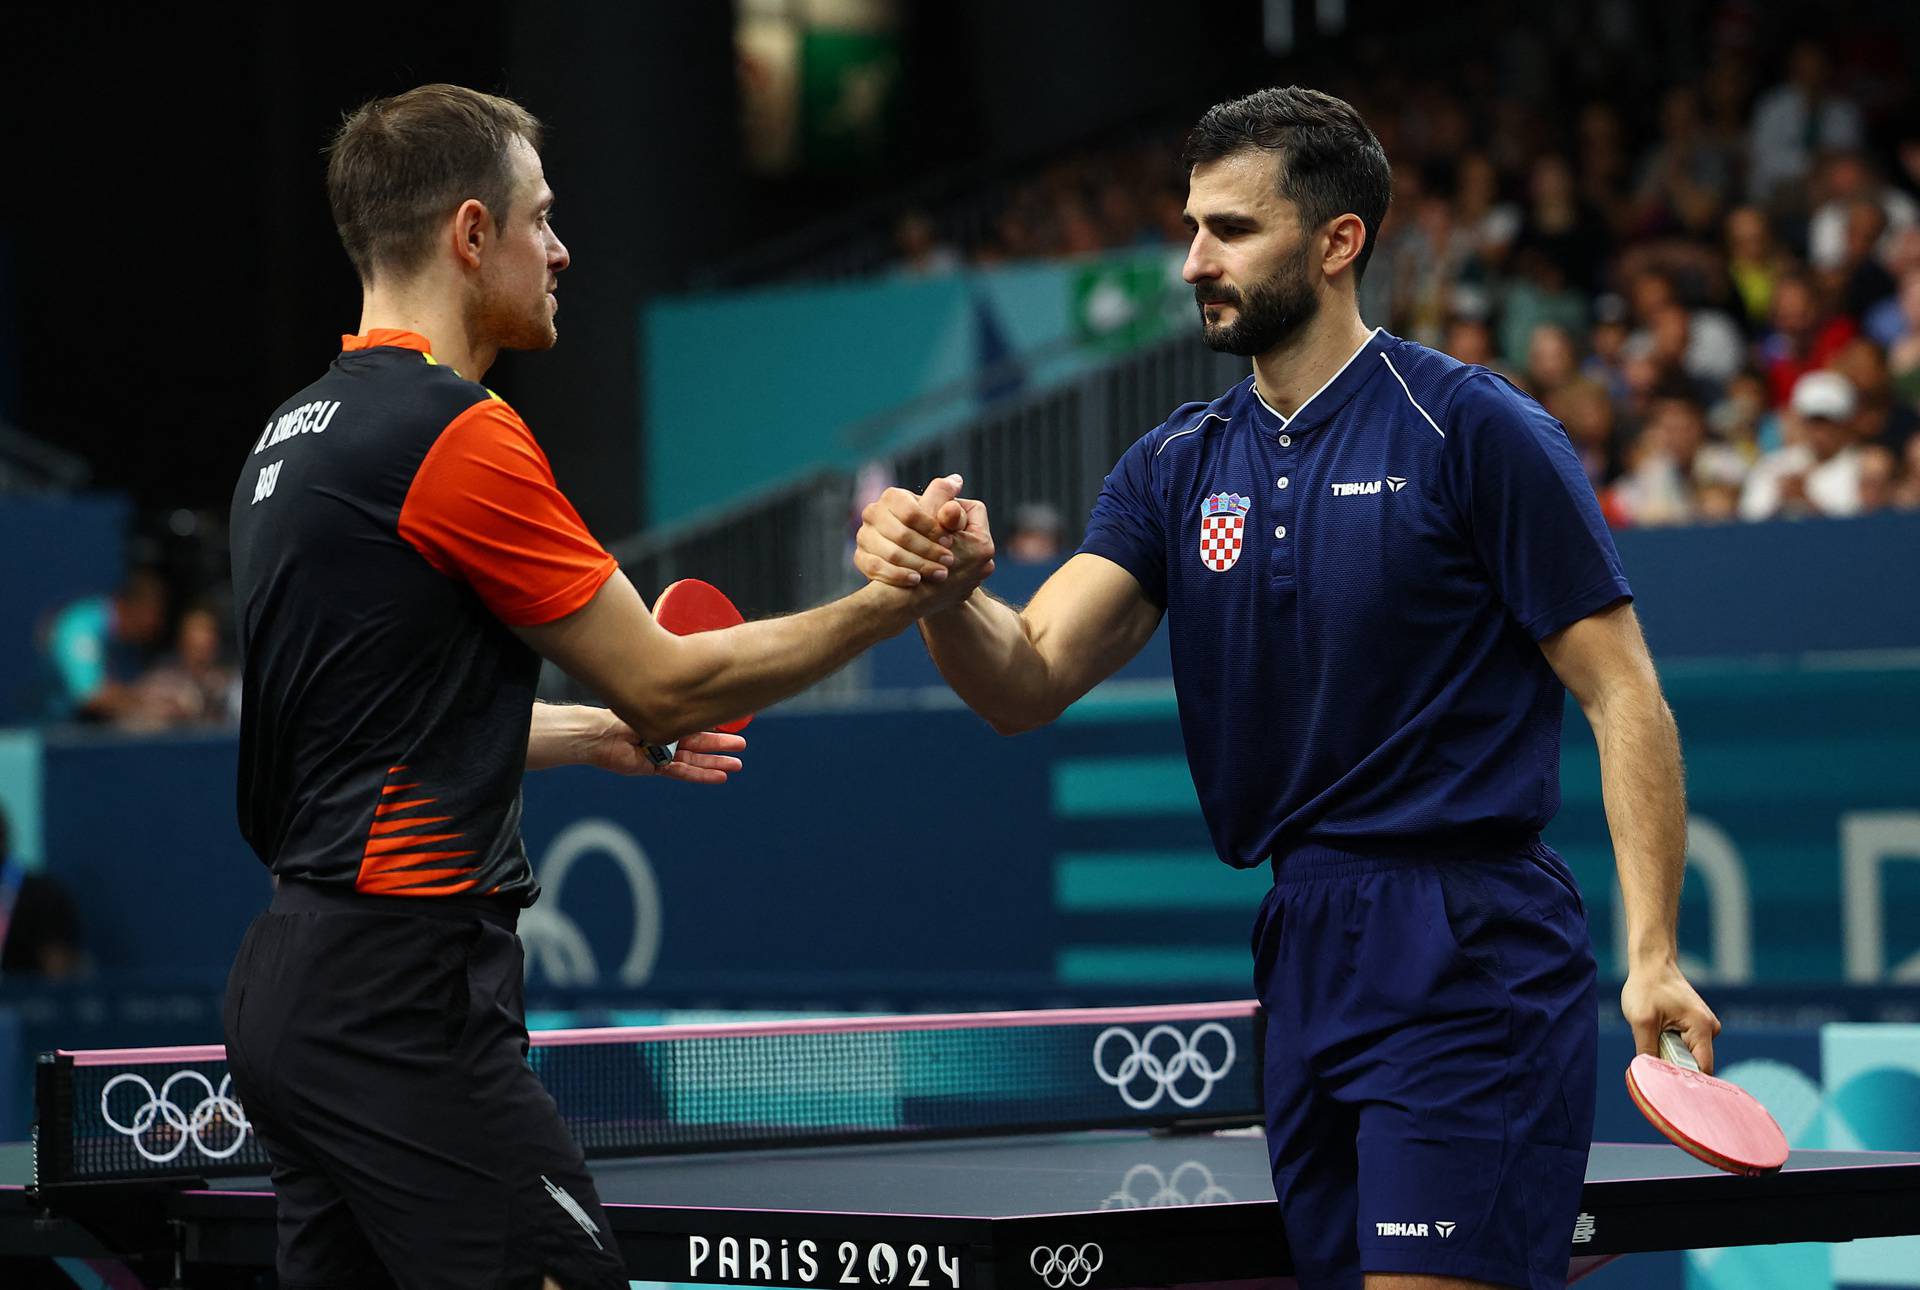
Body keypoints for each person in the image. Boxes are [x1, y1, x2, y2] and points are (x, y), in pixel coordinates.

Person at [854, 86, 1716, 1290]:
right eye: (1192, 226)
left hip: (1467, 942)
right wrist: (945, 589)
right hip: (1302, 941)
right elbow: (1026, 679)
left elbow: (1625, 694)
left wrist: (1656, 950)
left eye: (1231, 230)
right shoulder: (1173, 465)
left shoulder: (1471, 430)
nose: (1194, 260)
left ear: (1336, 241)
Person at [224, 84, 985, 1290]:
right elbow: (674, 681)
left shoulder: (290, 438)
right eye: (542, 217)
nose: (562, 247)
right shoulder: (454, 434)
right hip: (405, 1003)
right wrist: (903, 600)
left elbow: (371, 734)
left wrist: (592, 735)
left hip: (289, 988)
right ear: (471, 235)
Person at [42, 568, 170, 723]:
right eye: (151, 615)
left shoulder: (125, 640)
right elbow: (90, 696)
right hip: (51, 734)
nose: (155, 625)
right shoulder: (80, 628)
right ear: (131, 608)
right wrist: (151, 705)